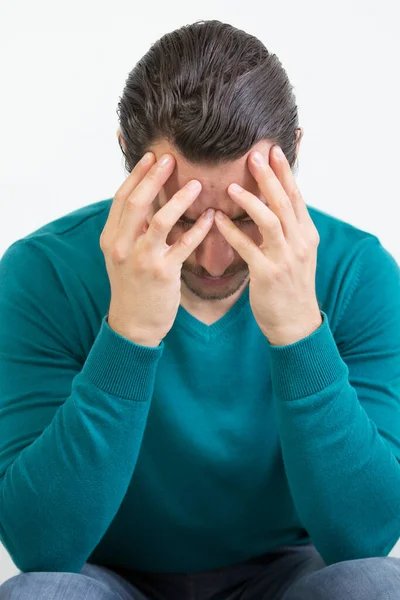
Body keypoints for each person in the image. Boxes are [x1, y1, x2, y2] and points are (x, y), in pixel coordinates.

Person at [1, 18, 400, 600]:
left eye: (244, 217)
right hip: (110, 577)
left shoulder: (356, 272)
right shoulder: (44, 273)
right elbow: (41, 551)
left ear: (293, 154)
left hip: (286, 574)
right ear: (127, 157)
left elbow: (364, 541)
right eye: (182, 219)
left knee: (374, 586)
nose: (213, 259)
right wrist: (130, 335)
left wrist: (298, 333)